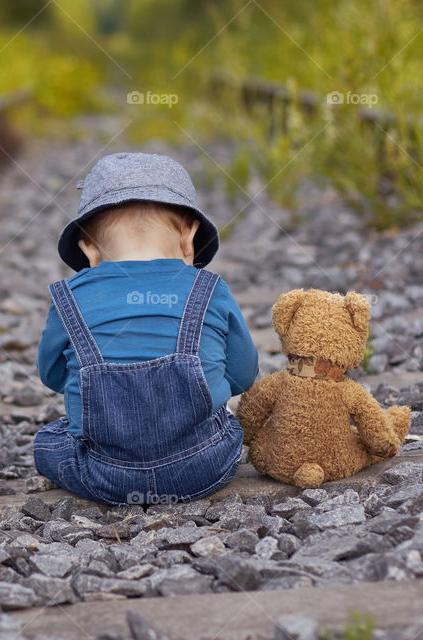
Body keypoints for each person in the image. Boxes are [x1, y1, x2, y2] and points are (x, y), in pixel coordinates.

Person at [33, 152, 258, 505]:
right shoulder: (210, 289)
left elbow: (51, 375)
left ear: (87, 249)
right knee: (228, 423)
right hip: (204, 467)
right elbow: (244, 377)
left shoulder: (69, 298)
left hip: (107, 475)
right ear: (191, 238)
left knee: (48, 441)